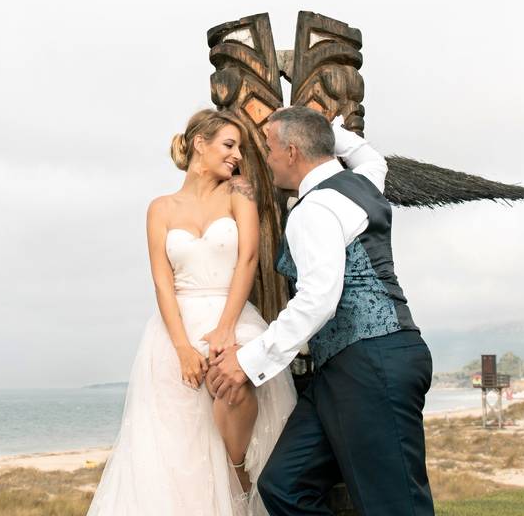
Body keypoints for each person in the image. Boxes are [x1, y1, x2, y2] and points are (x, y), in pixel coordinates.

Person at [210, 107, 435, 516]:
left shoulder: (313, 210)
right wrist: (332, 130)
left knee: (394, 507)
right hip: (342, 370)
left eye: (269, 146)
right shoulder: (363, 181)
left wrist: (247, 361)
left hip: (372, 363)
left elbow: (318, 299)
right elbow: (371, 157)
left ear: (292, 152)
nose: (266, 156)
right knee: (283, 485)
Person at [88, 108, 297, 516]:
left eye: (238, 147)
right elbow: (162, 282)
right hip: (176, 328)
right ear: (200, 144)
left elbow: (249, 258)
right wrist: (182, 346)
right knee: (179, 444)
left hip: (231, 313)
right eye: (228, 145)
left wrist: (225, 328)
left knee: (235, 382)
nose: (236, 155)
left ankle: (240, 475)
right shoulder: (160, 209)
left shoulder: (241, 192)